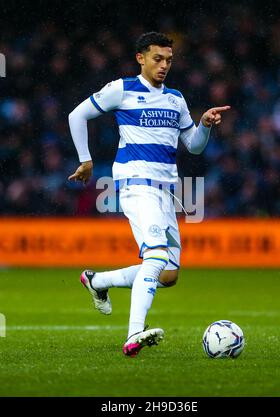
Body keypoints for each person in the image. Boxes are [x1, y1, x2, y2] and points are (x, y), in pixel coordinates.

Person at [68, 31, 230, 357]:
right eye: (158, 58)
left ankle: (97, 281)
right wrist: (86, 159)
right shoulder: (122, 89)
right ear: (140, 58)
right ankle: (134, 335)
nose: (164, 65)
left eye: (169, 60)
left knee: (168, 274)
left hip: (167, 192)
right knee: (154, 257)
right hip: (136, 185)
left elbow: (194, 147)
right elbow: (77, 115)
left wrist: (206, 125)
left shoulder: (175, 100)